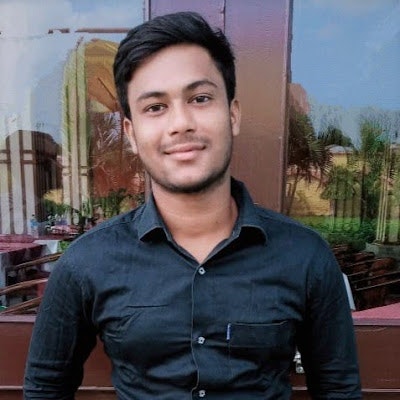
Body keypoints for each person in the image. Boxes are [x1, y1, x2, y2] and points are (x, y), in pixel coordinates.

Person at [24, 11, 361, 399]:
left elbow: (338, 389)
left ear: (232, 114)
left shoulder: (304, 256)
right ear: (131, 133)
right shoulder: (87, 262)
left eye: (200, 99)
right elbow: (46, 387)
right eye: (155, 107)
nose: (180, 123)